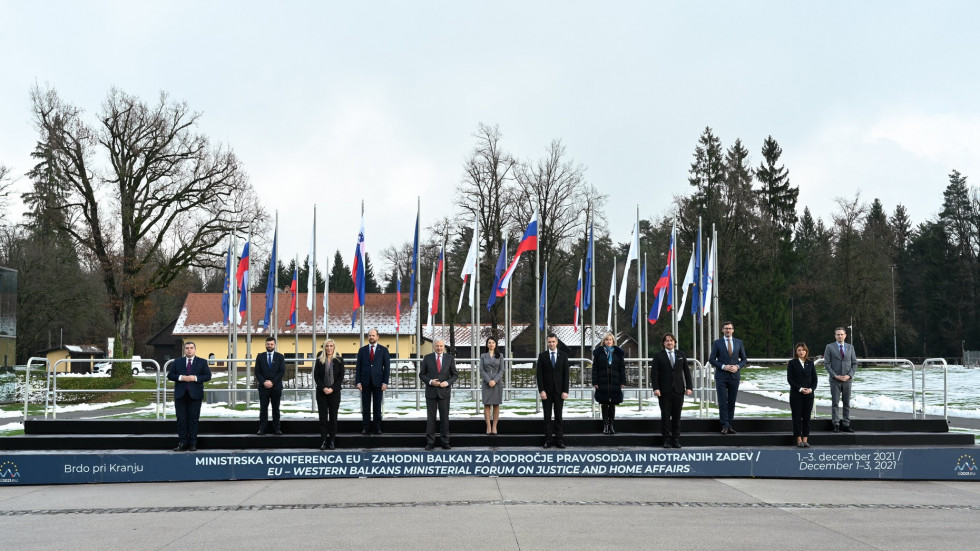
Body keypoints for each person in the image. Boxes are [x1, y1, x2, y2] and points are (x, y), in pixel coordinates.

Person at [650, 333, 693, 449]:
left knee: (677, 416)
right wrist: (656, 388)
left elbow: (687, 372)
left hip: (679, 390)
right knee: (665, 416)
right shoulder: (658, 356)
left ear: (674, 342)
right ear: (663, 343)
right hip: (664, 391)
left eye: (671, 340)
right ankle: (666, 439)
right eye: (667, 341)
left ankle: (676, 439)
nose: (669, 342)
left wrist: (689, 387)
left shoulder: (681, 354)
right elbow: (654, 374)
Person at [168, 341, 212, 451]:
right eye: (187, 348)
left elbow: (208, 376)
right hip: (180, 395)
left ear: (195, 349)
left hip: (195, 396)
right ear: (184, 349)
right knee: (181, 420)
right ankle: (182, 443)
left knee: (193, 420)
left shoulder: (202, 362)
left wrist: (195, 378)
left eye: (191, 348)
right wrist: (181, 377)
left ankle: (193, 443)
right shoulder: (178, 362)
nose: (189, 349)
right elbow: (170, 375)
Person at [708, 321, 747, 434]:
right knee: (722, 401)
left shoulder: (739, 343)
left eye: (730, 328)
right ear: (722, 330)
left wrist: (737, 367)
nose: (728, 330)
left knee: (731, 401)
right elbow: (711, 359)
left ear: (733, 330)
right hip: (721, 376)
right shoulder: (717, 343)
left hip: (734, 376)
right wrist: (723, 366)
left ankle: (729, 424)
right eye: (726, 328)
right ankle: (724, 425)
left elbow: (744, 359)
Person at [419, 339, 458, 450]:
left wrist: (447, 382)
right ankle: (430, 442)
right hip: (431, 392)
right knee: (431, 419)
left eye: (441, 346)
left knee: (444, 418)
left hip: (444, 393)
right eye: (437, 346)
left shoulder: (450, 358)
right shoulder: (427, 358)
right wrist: (430, 381)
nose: (439, 348)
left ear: (444, 346)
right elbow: (422, 374)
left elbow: (455, 375)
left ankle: (445, 442)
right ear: (433, 346)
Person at [536, 333, 570, 449]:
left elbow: (566, 375)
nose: (551, 344)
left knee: (558, 416)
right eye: (549, 342)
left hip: (560, 391)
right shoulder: (542, 356)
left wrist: (565, 390)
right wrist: (541, 390)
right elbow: (539, 375)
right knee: (547, 416)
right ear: (547, 343)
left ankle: (559, 440)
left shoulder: (564, 356)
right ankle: (548, 439)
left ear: (557, 342)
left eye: (553, 342)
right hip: (546, 392)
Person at [355, 328, 390, 435]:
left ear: (377, 336)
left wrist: (385, 382)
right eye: (370, 335)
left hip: (378, 383)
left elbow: (387, 368)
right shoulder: (362, 350)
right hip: (365, 382)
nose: (371, 337)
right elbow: (358, 367)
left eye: (373, 335)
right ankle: (365, 427)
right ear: (368, 337)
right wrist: (358, 382)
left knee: (377, 407)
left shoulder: (383, 350)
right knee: (365, 407)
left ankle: (377, 427)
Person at [823, 327, 857, 433]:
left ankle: (846, 425)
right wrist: (834, 375)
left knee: (846, 403)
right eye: (838, 334)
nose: (840, 336)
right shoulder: (829, 347)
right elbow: (826, 363)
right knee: (835, 403)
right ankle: (836, 424)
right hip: (835, 380)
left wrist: (849, 375)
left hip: (847, 380)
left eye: (842, 334)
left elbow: (854, 363)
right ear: (835, 336)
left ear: (845, 335)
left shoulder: (850, 347)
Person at [591, 332, 626, 435]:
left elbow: (622, 369)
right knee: (604, 403)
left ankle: (611, 425)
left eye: (610, 340)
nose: (608, 341)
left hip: (615, 381)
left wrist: (622, 381)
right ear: (604, 341)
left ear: (613, 341)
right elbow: (595, 369)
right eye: (606, 340)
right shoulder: (599, 353)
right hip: (603, 381)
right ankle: (605, 425)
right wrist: (595, 381)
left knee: (613, 403)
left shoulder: (618, 353)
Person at [314, 339, 345, 450]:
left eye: (331, 346)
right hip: (321, 393)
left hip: (334, 393)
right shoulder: (319, 360)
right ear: (324, 348)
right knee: (323, 418)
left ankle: (332, 441)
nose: (329, 348)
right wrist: (324, 388)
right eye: (327, 346)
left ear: (334, 347)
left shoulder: (339, 360)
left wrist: (332, 388)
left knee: (333, 417)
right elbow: (316, 376)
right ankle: (323, 441)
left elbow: (340, 377)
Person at [787, 342, 818, 447]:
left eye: (803, 350)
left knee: (807, 418)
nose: (801, 352)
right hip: (796, 395)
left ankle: (805, 439)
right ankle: (799, 440)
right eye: (799, 350)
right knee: (796, 418)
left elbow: (815, 380)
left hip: (809, 395)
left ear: (806, 351)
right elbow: (790, 379)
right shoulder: (792, 363)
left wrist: (811, 389)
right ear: (796, 352)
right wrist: (800, 389)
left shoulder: (810, 363)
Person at [255, 336, 285, 435]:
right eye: (268, 344)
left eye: (272, 344)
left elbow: (281, 372)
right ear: (265, 345)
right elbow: (257, 372)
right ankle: (262, 428)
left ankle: (277, 428)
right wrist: (264, 382)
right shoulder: (260, 356)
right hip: (263, 387)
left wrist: (272, 382)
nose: (270, 346)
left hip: (276, 387)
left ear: (275, 345)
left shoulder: (280, 357)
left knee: (276, 408)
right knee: (263, 408)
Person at [480, 337, 503, 435]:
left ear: (496, 344)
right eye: (489, 343)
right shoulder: (483, 356)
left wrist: (495, 380)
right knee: (487, 404)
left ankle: (494, 426)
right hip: (486, 382)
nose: (491, 344)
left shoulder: (500, 356)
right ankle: (488, 427)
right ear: (487, 344)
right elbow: (481, 369)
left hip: (497, 383)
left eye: (493, 342)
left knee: (496, 404)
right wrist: (489, 380)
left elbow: (502, 370)